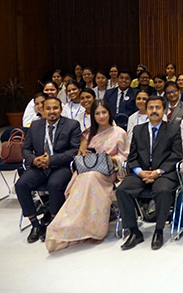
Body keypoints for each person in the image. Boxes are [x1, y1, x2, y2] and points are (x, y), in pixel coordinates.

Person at [45, 100, 129, 252]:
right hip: (86, 171)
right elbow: (79, 156)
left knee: (91, 178)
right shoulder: (88, 134)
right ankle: (69, 226)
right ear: (93, 116)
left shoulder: (119, 132)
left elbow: (125, 158)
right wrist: (86, 155)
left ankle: (95, 229)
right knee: (85, 178)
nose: (101, 116)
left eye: (104, 112)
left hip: (108, 172)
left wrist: (110, 159)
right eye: (97, 113)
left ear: (109, 113)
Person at [117, 95, 182, 250]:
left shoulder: (173, 129)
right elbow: (132, 157)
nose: (154, 111)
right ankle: (134, 231)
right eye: (151, 108)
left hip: (164, 172)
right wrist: (140, 172)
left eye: (158, 107)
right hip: (141, 172)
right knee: (122, 190)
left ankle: (159, 230)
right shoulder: (138, 130)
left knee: (163, 190)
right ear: (145, 111)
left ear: (164, 110)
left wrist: (158, 172)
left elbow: (176, 155)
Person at [16, 97, 82, 243]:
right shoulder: (35, 125)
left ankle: (52, 223)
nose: (52, 112)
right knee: (21, 185)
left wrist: (50, 160)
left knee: (54, 184)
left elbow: (74, 151)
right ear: (42, 110)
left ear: (61, 109)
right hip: (38, 166)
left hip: (61, 166)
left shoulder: (72, 125)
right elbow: (26, 149)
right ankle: (35, 224)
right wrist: (33, 159)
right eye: (48, 109)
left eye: (55, 108)